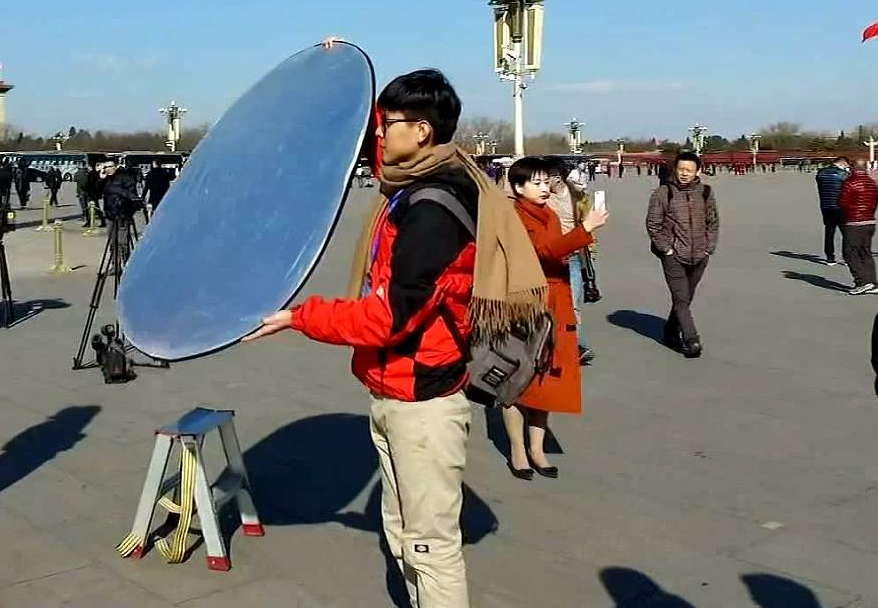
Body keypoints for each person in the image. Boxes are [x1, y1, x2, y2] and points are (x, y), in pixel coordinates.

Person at [245, 64, 550, 608]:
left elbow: (388, 319)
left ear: (422, 131)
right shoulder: (421, 181)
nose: (379, 135)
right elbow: (357, 142)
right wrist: (335, 75)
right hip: (396, 387)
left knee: (429, 544)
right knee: (401, 528)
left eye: (388, 125)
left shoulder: (431, 209)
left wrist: (300, 317)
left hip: (423, 398)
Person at [504, 157, 608, 480]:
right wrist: (584, 230)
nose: (544, 188)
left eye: (545, 182)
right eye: (536, 183)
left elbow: (555, 251)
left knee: (547, 378)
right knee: (517, 380)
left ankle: (537, 448)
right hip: (527, 305)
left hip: (555, 300)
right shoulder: (515, 216)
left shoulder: (547, 213)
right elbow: (544, 251)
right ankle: (517, 450)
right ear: (518, 188)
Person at [646, 151, 720, 358]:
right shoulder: (663, 193)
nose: (684, 173)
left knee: (685, 298)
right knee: (680, 298)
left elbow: (713, 221)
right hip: (674, 256)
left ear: (698, 171)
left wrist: (709, 247)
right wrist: (666, 249)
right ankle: (691, 339)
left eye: (689, 170)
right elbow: (653, 224)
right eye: (681, 169)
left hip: (700, 255)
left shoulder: (706, 192)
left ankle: (670, 331)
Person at [543, 158, 595, 365]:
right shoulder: (541, 197)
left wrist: (591, 251)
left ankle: (574, 345)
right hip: (548, 256)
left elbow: (587, 222)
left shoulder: (575, 195)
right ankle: (553, 345)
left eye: (546, 178)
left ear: (557, 177)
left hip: (572, 256)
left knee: (573, 303)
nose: (543, 183)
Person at [837, 160, 877, 294]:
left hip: (854, 222)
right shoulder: (872, 183)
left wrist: (847, 213)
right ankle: (872, 281)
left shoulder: (850, 182)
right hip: (869, 221)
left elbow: (842, 202)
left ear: (853, 168)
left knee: (849, 252)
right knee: (865, 252)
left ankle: (862, 281)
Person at [816, 159, 849, 266]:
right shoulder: (843, 174)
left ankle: (830, 258)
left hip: (825, 206)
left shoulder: (821, 173)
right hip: (840, 207)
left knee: (829, 233)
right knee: (846, 233)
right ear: (843, 164)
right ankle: (846, 257)